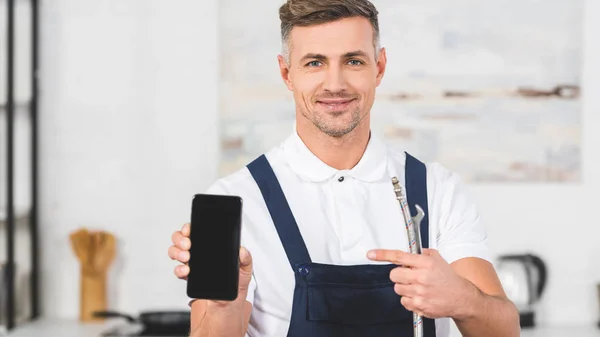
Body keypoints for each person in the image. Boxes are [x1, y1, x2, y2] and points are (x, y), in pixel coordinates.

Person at [168, 0, 520, 336]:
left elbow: (506, 331)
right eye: (314, 63)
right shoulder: (232, 200)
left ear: (379, 67)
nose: (335, 84)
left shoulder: (438, 190)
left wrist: (462, 299)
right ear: (286, 72)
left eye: (353, 61)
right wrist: (225, 304)